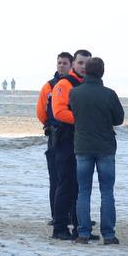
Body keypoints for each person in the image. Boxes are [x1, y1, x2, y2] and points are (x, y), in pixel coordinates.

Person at [68, 57, 124, 244]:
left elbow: (74, 114)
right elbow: (119, 119)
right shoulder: (109, 94)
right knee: (107, 191)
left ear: (86, 71)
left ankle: (83, 233)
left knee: (83, 191)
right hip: (105, 147)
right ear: (102, 72)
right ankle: (108, 234)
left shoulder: (75, 93)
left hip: (83, 146)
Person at [49, 49, 91, 240]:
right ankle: (59, 227)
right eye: (80, 63)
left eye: (87, 64)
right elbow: (58, 112)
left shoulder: (88, 84)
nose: (83, 67)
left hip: (82, 141)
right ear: (74, 63)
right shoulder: (64, 84)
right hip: (65, 141)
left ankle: (79, 227)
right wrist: (83, 119)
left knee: (79, 186)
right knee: (65, 185)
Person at [36, 51, 73, 227]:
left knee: (72, 179)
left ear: (71, 65)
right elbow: (41, 111)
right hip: (55, 135)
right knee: (56, 178)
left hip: (72, 135)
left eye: (65, 63)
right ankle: (56, 215)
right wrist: (49, 126)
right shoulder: (49, 86)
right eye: (59, 63)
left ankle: (74, 216)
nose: (61, 66)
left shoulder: (76, 85)